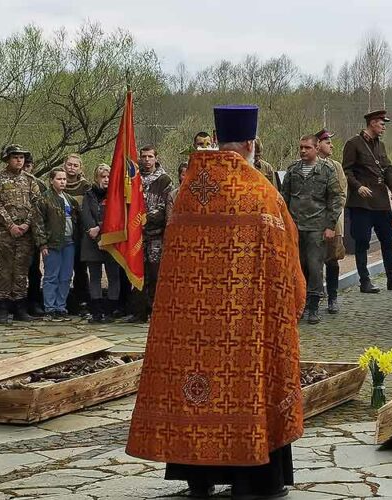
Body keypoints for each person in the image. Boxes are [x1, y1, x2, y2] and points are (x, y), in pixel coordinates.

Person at [127, 105, 306, 499]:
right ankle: (253, 482)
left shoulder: (189, 193)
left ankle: (199, 479)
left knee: (197, 390)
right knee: (245, 390)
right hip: (246, 326)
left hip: (191, 324)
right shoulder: (262, 193)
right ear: (249, 144)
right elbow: (285, 261)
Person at [342, 109, 392, 293]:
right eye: (381, 123)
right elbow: (346, 171)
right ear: (372, 123)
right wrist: (357, 186)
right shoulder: (353, 144)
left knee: (387, 239)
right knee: (361, 242)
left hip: (380, 202)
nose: (384, 127)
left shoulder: (381, 145)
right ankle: (365, 281)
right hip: (362, 203)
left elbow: (387, 169)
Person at [281, 135, 343, 324]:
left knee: (315, 267)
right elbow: (284, 197)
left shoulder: (326, 170)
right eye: (301, 147)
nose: (303, 151)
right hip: (296, 225)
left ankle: (314, 305)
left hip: (317, 226)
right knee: (299, 266)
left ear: (316, 148)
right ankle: (301, 303)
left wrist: (330, 225)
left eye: (307, 147)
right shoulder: (293, 170)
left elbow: (335, 198)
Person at [0, 144, 42, 324]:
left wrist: (27, 224)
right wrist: (10, 225)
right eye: (15, 157)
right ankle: (2, 308)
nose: (19, 160)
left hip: (25, 234)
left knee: (21, 271)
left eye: (21, 157)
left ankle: (20, 306)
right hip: (3, 233)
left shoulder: (30, 179)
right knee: (3, 270)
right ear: (7, 159)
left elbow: (37, 204)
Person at [129, 146, 173, 323]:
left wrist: (145, 218)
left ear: (156, 158)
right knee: (138, 273)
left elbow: (165, 207)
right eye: (144, 156)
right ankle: (138, 312)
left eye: (150, 156)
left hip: (155, 234)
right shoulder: (133, 178)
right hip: (136, 235)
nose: (147, 160)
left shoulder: (164, 180)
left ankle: (155, 311)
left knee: (155, 274)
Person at [37, 167, 81, 322]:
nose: (62, 182)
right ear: (51, 180)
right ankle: (50, 308)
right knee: (51, 276)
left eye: (64, 179)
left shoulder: (70, 199)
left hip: (69, 242)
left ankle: (61, 306)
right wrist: (42, 243)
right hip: (52, 243)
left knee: (66, 276)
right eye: (59, 179)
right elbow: (38, 223)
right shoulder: (44, 199)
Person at [81, 163, 121, 323]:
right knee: (95, 277)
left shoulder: (116, 195)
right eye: (102, 177)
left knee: (113, 276)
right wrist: (94, 231)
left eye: (108, 176)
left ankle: (110, 311)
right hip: (92, 241)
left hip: (111, 240)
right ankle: (96, 311)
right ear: (96, 178)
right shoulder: (89, 194)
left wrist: (101, 228)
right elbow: (86, 215)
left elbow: (116, 217)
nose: (105, 180)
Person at [316, 128, 347, 314]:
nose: (331, 145)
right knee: (312, 261)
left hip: (333, 221)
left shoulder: (336, 166)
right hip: (312, 221)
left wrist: (331, 215)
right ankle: (315, 296)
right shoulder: (307, 164)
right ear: (318, 144)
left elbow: (342, 194)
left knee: (333, 259)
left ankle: (333, 297)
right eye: (327, 142)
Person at [62, 154, 91, 316]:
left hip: (80, 233)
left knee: (80, 269)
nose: (72, 168)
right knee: (63, 269)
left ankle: (82, 301)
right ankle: (62, 301)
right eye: (69, 164)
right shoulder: (58, 182)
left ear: (80, 168)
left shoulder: (85, 186)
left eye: (75, 165)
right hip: (62, 232)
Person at [23, 154, 47, 317]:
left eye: (28, 165)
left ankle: (33, 301)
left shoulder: (38, 184)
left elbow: (43, 210)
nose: (26, 169)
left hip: (32, 234)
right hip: (10, 232)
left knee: (33, 270)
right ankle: (13, 303)